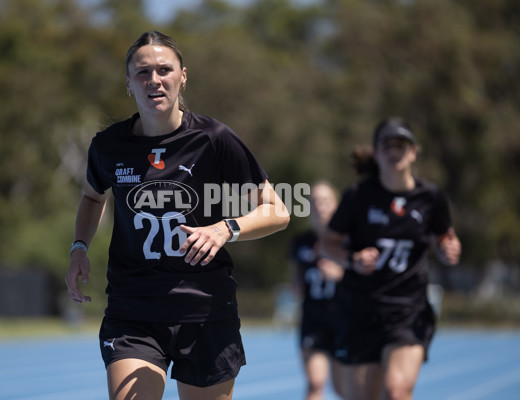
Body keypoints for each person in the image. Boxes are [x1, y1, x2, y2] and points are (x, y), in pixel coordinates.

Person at [65, 31, 290, 400]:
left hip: (205, 308)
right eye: (142, 72)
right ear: (128, 83)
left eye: (164, 69)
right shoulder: (108, 146)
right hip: (134, 309)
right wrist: (78, 247)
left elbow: (278, 211)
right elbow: (92, 198)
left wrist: (225, 228)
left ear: (182, 75)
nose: (154, 79)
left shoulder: (215, 139)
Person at [320, 117, 461, 400]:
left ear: (413, 152)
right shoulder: (358, 196)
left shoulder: (430, 197)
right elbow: (326, 244)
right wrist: (353, 259)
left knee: (397, 391)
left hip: (408, 311)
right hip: (361, 309)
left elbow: (446, 236)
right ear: (376, 152)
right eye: (387, 146)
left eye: (401, 145)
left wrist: (449, 248)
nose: (394, 152)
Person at [288, 181, 344, 400]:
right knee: (315, 384)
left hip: (345, 322)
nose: (319, 206)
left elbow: (367, 278)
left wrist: (341, 274)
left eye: (325, 201)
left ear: (336, 205)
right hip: (313, 322)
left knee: (344, 389)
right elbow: (296, 279)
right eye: (314, 202)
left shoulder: (348, 240)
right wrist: (297, 286)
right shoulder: (301, 242)